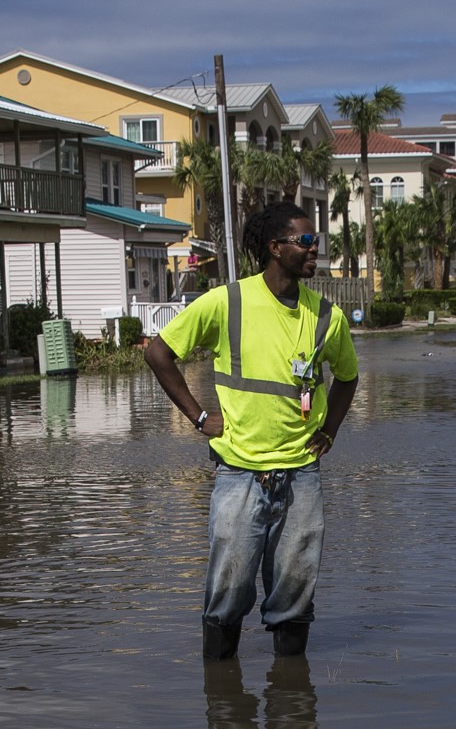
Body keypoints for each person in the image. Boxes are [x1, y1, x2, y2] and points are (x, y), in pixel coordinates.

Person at [145, 200, 361, 660]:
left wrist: (331, 430)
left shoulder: (327, 316)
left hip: (302, 477)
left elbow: (347, 377)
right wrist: (199, 418)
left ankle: (291, 706)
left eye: (315, 242)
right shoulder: (229, 302)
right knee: (227, 598)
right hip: (239, 475)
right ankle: (223, 706)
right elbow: (158, 352)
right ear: (274, 247)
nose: (313, 249)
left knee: (294, 599)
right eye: (304, 241)